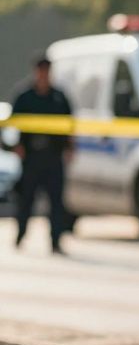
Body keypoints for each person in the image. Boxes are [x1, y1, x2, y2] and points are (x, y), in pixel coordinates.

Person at [10, 56, 73, 254]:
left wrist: (70, 148)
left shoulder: (59, 97)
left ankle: (55, 240)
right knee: (26, 200)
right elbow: (11, 125)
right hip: (31, 157)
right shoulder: (25, 96)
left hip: (53, 157)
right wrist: (15, 146)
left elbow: (69, 126)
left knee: (55, 202)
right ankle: (20, 236)